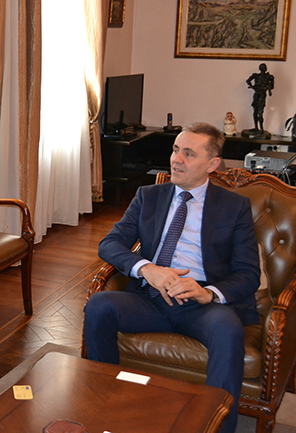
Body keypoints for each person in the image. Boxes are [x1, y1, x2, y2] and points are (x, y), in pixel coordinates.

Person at [83, 122, 260, 433]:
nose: (176, 159)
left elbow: (248, 273)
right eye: (176, 150)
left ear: (213, 164)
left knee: (228, 331)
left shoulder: (235, 207)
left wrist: (209, 293)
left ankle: (217, 427)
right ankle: (106, 403)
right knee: (99, 306)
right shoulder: (148, 196)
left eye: (189, 154)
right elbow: (109, 244)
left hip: (201, 305)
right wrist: (147, 269)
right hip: (150, 299)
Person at [246, 63, 274, 132]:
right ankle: (256, 127)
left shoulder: (269, 77)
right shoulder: (256, 76)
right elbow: (248, 81)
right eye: (261, 67)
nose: (263, 69)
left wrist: (268, 87)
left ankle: (261, 128)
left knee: (260, 112)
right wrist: (252, 86)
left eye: (264, 67)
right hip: (256, 94)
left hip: (262, 94)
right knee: (255, 111)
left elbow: (272, 86)